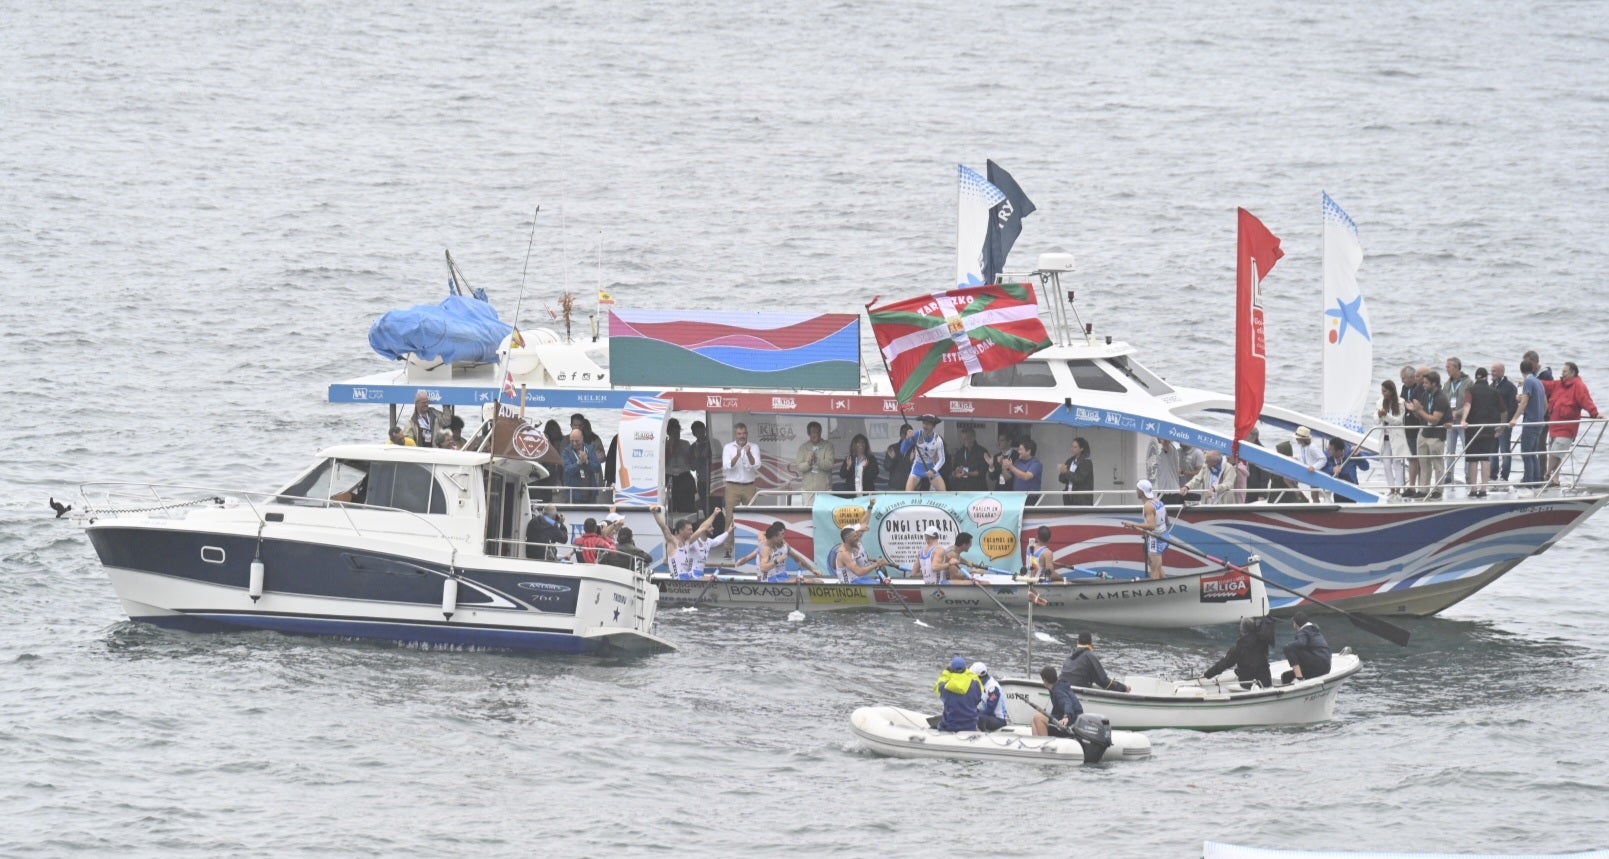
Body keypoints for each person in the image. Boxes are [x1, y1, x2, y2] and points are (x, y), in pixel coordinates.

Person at [1540, 361, 1600, 489]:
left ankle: (1547, 474)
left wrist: (1594, 413)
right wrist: (1532, 382)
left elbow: (1586, 401)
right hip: (1554, 426)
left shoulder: (1579, 386)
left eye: (1565, 372)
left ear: (1573, 372)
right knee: (1554, 452)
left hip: (1567, 428)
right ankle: (1555, 480)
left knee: (1556, 453)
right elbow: (1548, 385)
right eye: (1562, 372)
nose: (1562, 374)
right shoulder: (1559, 384)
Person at [1405, 370, 1451, 498]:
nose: (1423, 385)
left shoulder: (1441, 398)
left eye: (1425, 383)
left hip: (1436, 435)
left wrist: (1419, 410)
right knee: (1423, 463)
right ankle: (1423, 489)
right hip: (1424, 432)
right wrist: (1414, 410)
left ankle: (1438, 490)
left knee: (1437, 464)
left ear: (1434, 383)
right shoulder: (1425, 395)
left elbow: (1435, 419)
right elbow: (1422, 416)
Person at [651, 504, 728, 579]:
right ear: (681, 530)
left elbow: (702, 528)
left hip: (688, 578)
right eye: (689, 530)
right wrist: (655, 513)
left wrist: (714, 514)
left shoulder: (688, 542)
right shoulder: (673, 542)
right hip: (678, 580)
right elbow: (664, 527)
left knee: (713, 579)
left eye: (692, 529)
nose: (691, 532)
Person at [1203, 616, 1277, 689]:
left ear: (1242, 630)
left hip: (1247, 685)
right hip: (1266, 682)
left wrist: (1207, 674)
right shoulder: (1263, 642)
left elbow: (1224, 664)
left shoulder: (1238, 647)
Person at [1461, 367, 1503, 497]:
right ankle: (1484, 489)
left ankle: (1473, 489)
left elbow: (1467, 405)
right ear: (1486, 377)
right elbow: (1503, 410)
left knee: (1473, 460)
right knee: (1485, 459)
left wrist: (1463, 420)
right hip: (1488, 429)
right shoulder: (1494, 391)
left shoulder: (1470, 391)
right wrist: (1501, 427)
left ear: (1476, 377)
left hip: (1472, 429)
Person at [735, 520, 819, 581]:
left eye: (784, 534)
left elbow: (798, 558)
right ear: (775, 536)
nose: (784, 537)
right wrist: (739, 562)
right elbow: (752, 560)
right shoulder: (765, 547)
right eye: (782, 534)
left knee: (818, 581)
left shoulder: (785, 546)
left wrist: (812, 569)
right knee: (809, 581)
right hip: (768, 579)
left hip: (781, 576)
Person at [1510, 358, 1548, 489]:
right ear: (1532, 369)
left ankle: (1529, 482)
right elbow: (1545, 404)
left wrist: (1515, 418)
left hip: (1531, 422)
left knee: (1526, 453)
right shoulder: (1539, 382)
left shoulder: (1528, 382)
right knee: (1533, 453)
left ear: (1521, 370)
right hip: (1540, 421)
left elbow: (1524, 402)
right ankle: (1536, 480)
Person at [1122, 479, 1169, 579]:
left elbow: (1152, 526)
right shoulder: (1158, 502)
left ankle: (1155, 593)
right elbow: (1166, 521)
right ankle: (1168, 589)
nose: (1136, 491)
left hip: (1156, 539)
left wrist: (1132, 524)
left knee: (1154, 570)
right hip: (1164, 536)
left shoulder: (1148, 506)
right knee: (1157, 567)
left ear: (1142, 492)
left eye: (1137, 489)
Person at [1059, 631, 1131, 692]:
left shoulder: (1069, 655)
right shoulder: (1090, 656)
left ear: (1077, 641)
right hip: (1077, 692)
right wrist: (1123, 688)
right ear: (1091, 642)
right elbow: (1103, 681)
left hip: (1062, 689)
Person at [722, 422, 762, 530]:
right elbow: (726, 466)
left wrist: (748, 454)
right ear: (735, 434)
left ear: (747, 434)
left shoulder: (754, 447)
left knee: (751, 516)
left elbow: (757, 465)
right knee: (730, 516)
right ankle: (729, 545)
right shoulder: (728, 447)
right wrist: (737, 456)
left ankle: (750, 544)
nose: (742, 436)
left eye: (744, 433)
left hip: (749, 486)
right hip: (732, 486)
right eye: (739, 434)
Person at [1280, 611, 1333, 685]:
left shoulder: (1304, 631)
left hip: (1319, 665)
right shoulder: (1313, 630)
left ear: (1296, 623)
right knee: (1286, 676)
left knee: (1288, 648)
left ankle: (1299, 679)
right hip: (1326, 666)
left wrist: (1288, 645)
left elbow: (1301, 643)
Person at [934, 656, 983, 732]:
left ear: (952, 669)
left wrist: (947, 670)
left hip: (949, 727)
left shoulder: (945, 687)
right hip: (970, 726)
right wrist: (965, 670)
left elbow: (937, 685)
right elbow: (978, 684)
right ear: (965, 669)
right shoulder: (975, 686)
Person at [1031, 666, 1083, 737]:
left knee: (1038, 717)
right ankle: (1037, 742)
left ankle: (1045, 743)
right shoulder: (1058, 686)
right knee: (1035, 718)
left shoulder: (1058, 691)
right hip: (1067, 717)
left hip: (1071, 721)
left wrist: (1066, 716)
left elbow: (1067, 703)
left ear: (1045, 680)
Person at [1489, 361, 1519, 486]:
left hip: (1505, 425)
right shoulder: (1491, 386)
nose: (1492, 373)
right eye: (1491, 371)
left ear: (1502, 371)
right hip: (1492, 424)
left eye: (1494, 371)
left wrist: (1505, 424)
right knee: (1492, 451)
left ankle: (1504, 476)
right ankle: (1492, 475)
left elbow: (1513, 407)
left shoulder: (1510, 387)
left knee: (1505, 450)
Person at [901, 414, 947, 491]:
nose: (925, 426)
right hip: (917, 468)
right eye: (924, 423)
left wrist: (934, 470)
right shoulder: (917, 435)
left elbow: (942, 459)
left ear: (933, 426)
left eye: (928, 424)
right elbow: (902, 450)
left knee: (943, 491)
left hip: (931, 467)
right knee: (908, 493)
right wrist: (907, 439)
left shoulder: (938, 440)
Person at [795, 420, 835, 502]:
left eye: (818, 432)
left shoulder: (828, 446)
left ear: (821, 432)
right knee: (808, 514)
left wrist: (817, 459)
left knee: (825, 513)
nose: (816, 434)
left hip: (824, 489)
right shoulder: (803, 447)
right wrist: (809, 463)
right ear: (808, 433)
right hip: (808, 489)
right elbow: (799, 466)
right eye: (813, 432)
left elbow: (829, 465)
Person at [562, 428, 604, 503]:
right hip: (574, 495)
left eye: (577, 441)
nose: (574, 443)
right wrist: (579, 463)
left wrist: (587, 462)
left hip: (590, 493)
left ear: (582, 438)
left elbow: (597, 467)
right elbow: (568, 470)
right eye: (572, 441)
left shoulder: (589, 449)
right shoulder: (566, 452)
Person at [664, 418, 696, 514]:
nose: (676, 436)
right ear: (668, 433)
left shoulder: (685, 444)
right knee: (671, 507)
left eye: (677, 433)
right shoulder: (664, 445)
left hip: (684, 476)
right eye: (673, 433)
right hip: (670, 477)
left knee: (687, 507)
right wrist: (671, 449)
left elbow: (692, 465)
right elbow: (663, 463)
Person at [1444, 356, 1471, 467]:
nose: (1447, 369)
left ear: (1456, 368)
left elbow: (1470, 403)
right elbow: (1444, 400)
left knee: (1467, 449)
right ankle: (1449, 475)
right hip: (1450, 422)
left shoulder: (1468, 382)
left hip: (1463, 422)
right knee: (1450, 450)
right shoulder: (1447, 384)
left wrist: (1458, 413)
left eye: (1448, 367)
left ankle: (1468, 476)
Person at [1400, 365, 1424, 490]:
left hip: (1417, 426)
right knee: (1411, 457)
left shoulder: (1419, 389)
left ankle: (1419, 485)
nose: (1402, 381)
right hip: (1407, 426)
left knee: (1418, 457)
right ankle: (1412, 485)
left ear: (1412, 378)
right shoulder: (1404, 388)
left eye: (1404, 378)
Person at [1291, 426, 1327, 502]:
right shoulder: (1302, 446)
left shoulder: (1312, 447)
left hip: (1314, 473)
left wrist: (1314, 467)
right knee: (1287, 478)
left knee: (1314, 495)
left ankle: (1317, 511)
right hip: (1306, 471)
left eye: (1297, 438)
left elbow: (1323, 459)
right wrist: (1296, 458)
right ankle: (1302, 497)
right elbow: (1304, 457)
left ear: (1302, 439)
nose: (1296, 439)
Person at [949, 428, 991, 492]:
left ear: (973, 438)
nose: (964, 441)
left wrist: (967, 473)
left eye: (966, 438)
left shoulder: (982, 451)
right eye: (963, 439)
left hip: (977, 488)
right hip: (961, 488)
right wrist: (955, 472)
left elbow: (982, 472)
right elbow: (953, 471)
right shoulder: (959, 452)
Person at [972, 662, 1009, 732]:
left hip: (999, 720)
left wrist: (974, 715)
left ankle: (981, 738)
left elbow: (989, 711)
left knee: (980, 718)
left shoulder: (993, 688)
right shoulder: (982, 685)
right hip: (989, 716)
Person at [1005, 437, 1043, 505]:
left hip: (1030, 498)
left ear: (1028, 451)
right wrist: (1004, 467)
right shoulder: (1017, 462)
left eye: (1020, 449)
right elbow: (1007, 477)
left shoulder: (1036, 463)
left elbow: (1026, 477)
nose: (1018, 451)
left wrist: (1011, 467)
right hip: (1017, 497)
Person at [1058, 437, 1094, 505]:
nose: (1072, 449)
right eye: (1072, 446)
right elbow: (1061, 480)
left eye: (1075, 447)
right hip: (1068, 497)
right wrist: (1062, 473)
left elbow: (1079, 479)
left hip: (1082, 499)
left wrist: (1066, 472)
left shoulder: (1086, 462)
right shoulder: (1069, 461)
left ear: (1081, 448)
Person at [689, 420, 714, 518]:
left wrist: (709, 453)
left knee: (716, 507)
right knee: (705, 508)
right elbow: (692, 467)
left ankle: (718, 530)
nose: (701, 434)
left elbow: (720, 461)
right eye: (698, 432)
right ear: (694, 433)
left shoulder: (713, 443)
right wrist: (698, 457)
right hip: (702, 481)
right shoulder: (692, 448)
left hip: (713, 480)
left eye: (702, 432)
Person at [1147, 437, 1183, 502]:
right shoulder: (1163, 452)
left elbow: (1166, 442)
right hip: (1162, 492)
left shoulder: (1171, 449)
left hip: (1171, 494)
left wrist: (1162, 435)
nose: (1158, 437)